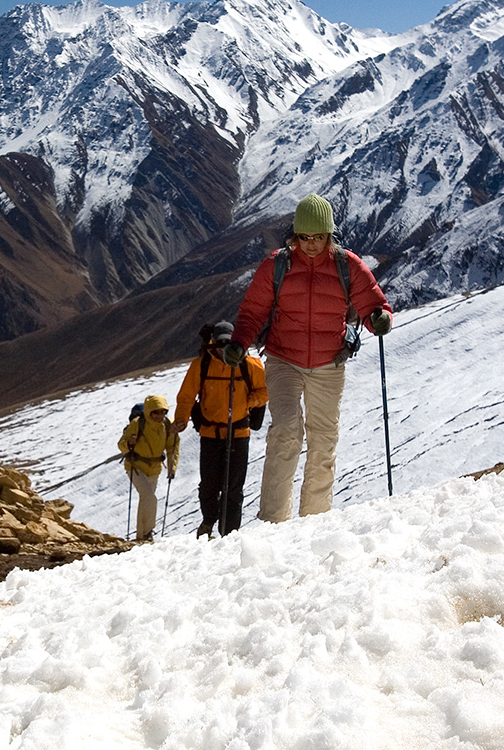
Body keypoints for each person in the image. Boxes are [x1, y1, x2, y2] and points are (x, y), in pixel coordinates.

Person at [227, 194, 391, 522]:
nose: (312, 245)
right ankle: (273, 521)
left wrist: (379, 319)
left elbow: (375, 304)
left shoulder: (348, 266)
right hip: (283, 359)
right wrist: (239, 341)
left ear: (330, 234)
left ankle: (314, 521)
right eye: (305, 237)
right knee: (286, 430)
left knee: (324, 439)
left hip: (329, 364)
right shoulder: (277, 265)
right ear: (295, 236)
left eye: (319, 237)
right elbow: (253, 311)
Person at [174, 321, 268, 537]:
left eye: (228, 343)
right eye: (220, 343)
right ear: (212, 342)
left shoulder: (249, 365)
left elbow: (264, 391)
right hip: (210, 434)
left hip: (238, 433)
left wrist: (249, 402)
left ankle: (229, 533)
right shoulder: (202, 365)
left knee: (233, 488)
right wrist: (181, 419)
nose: (223, 347)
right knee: (208, 485)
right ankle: (208, 520)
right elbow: (187, 396)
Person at [116, 393, 179, 541]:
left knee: (146, 500)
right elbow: (121, 445)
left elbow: (173, 448)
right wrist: (129, 443)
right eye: (156, 412)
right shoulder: (138, 423)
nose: (160, 415)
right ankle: (146, 533)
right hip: (135, 466)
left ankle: (142, 536)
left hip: (155, 468)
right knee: (149, 498)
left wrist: (172, 468)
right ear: (149, 411)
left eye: (163, 411)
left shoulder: (167, 426)